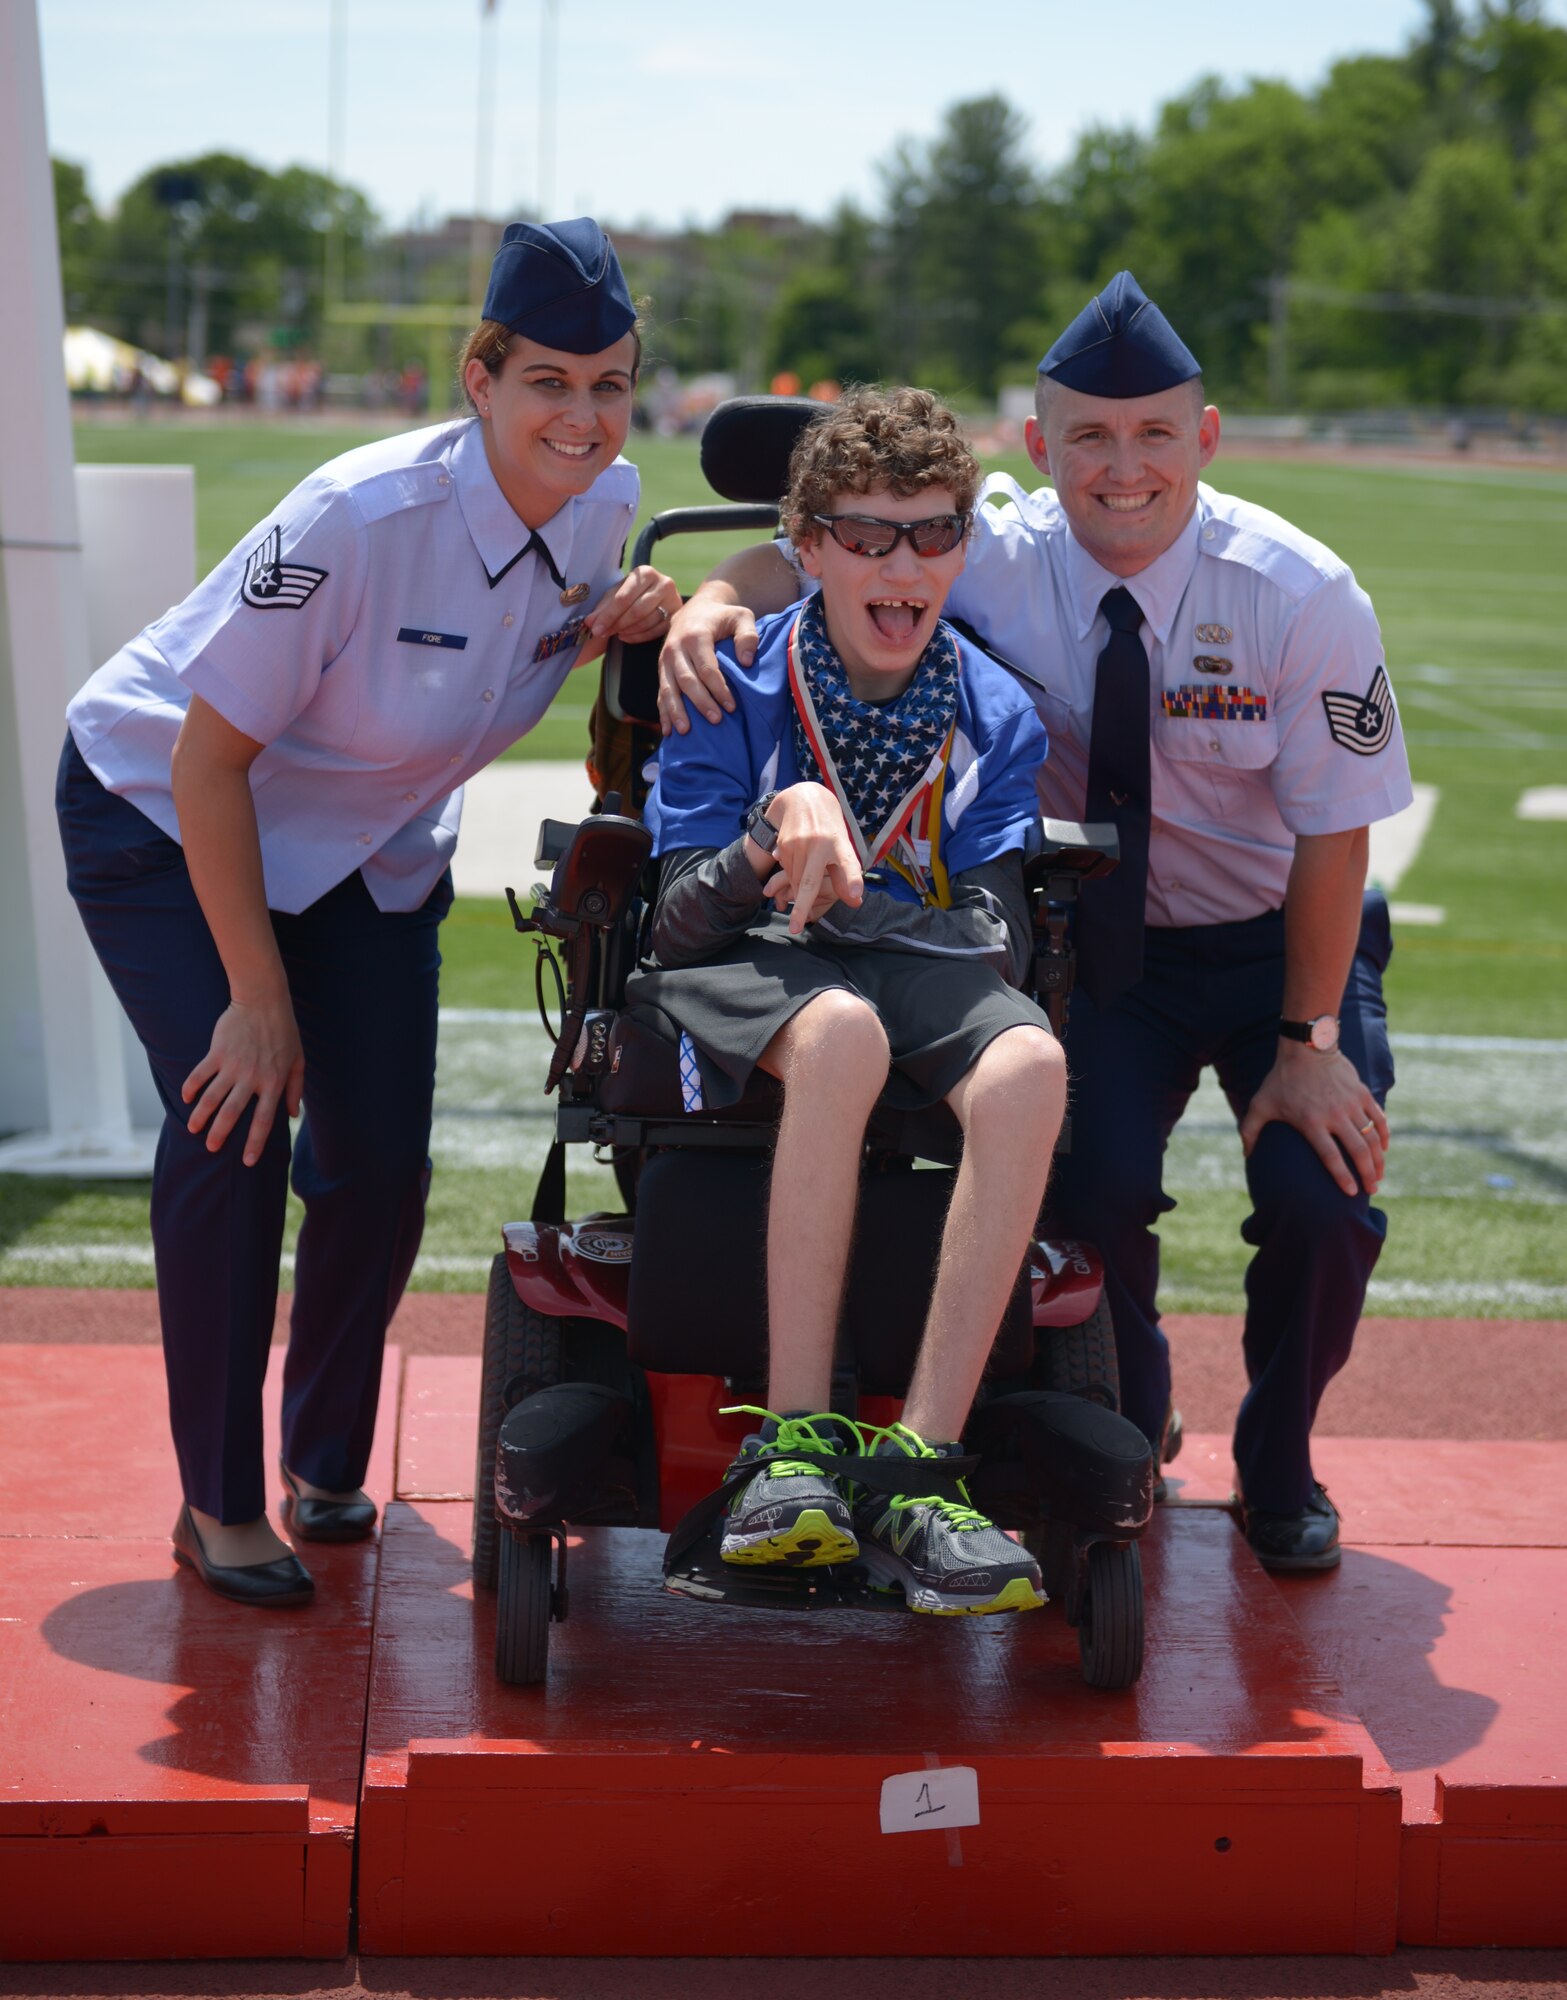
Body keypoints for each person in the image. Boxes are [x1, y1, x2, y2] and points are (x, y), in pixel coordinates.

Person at [657, 275, 1414, 1574]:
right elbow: (811, 545)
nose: (1121, 472)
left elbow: (1335, 837)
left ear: (1206, 438)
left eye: (1154, 437)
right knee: (1098, 1189)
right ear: (1038, 449)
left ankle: (1278, 1461)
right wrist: (700, 600)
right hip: (1108, 942)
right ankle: (1124, 1424)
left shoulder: (1298, 593)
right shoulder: (991, 547)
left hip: (1281, 934)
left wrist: (1306, 1034)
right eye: (1088, 440)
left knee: (1318, 1198)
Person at [57, 219, 680, 1607]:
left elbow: (555, 675)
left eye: (608, 384)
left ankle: (321, 1463)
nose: (580, 418)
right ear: (479, 373)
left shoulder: (602, 501)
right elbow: (207, 759)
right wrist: (255, 996)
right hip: (170, 815)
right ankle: (217, 1505)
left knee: (381, 1168)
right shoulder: (357, 517)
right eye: (548, 383)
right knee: (235, 1120)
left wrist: (631, 627)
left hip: (369, 852)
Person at [633, 386, 1066, 1617]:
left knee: (1031, 1063)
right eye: (867, 535)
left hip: (904, 948)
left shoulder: (993, 710)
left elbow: (993, 935)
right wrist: (775, 830)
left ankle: (921, 1468)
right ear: (806, 545)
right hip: (743, 951)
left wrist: (858, 895)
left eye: (933, 534)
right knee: (840, 1035)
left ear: (963, 549)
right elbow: (672, 923)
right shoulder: (733, 677)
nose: (903, 563)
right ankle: (794, 1445)